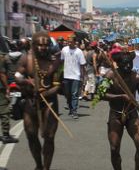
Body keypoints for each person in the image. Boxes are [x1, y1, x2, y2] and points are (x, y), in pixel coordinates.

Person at [15, 31, 61, 170]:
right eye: (40, 45)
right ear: (33, 45)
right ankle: (39, 165)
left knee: (49, 136)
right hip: (31, 102)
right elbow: (17, 76)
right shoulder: (26, 59)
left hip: (49, 102)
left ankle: (46, 167)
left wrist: (44, 93)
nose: (43, 48)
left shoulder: (55, 61)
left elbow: (58, 86)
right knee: (31, 135)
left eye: (46, 45)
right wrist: (27, 82)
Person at [102, 48, 139, 170]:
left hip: (132, 114)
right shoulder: (110, 76)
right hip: (115, 115)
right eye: (125, 64)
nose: (128, 66)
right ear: (119, 64)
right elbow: (101, 94)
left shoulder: (137, 77)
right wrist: (120, 96)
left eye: (130, 64)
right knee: (114, 148)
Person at [61, 35, 86, 119]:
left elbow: (82, 65)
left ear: (75, 42)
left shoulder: (79, 52)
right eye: (68, 40)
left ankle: (74, 111)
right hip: (66, 75)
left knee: (74, 94)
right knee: (67, 94)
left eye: (70, 41)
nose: (69, 42)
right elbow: (62, 61)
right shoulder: (64, 50)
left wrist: (82, 77)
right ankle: (71, 109)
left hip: (76, 76)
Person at [0, 49, 19, 144]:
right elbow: (2, 74)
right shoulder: (1, 57)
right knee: (4, 110)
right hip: (1, 88)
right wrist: (7, 88)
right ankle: (6, 135)